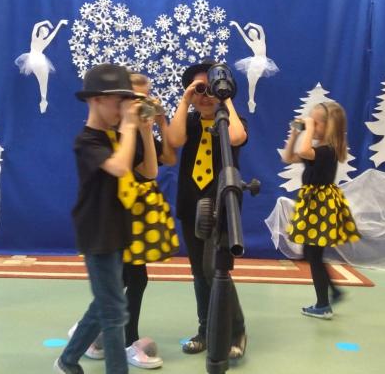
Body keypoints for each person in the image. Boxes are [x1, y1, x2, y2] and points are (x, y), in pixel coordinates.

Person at [54, 64, 157, 374]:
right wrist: (129, 126)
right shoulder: (87, 140)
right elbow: (119, 168)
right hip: (97, 232)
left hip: (117, 228)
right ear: (96, 99)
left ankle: (67, 360)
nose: (123, 108)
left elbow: (150, 172)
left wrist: (144, 130)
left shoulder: (118, 136)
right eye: (118, 101)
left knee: (105, 303)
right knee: (114, 313)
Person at [168, 58, 248, 359]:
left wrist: (224, 100)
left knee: (215, 269)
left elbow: (237, 137)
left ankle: (236, 331)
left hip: (222, 204)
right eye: (200, 89)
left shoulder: (229, 121)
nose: (206, 96)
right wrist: (185, 99)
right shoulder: (189, 122)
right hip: (192, 205)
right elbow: (174, 140)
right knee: (198, 272)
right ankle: (205, 330)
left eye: (211, 88)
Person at [281, 101, 360, 319]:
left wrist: (306, 127)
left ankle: (323, 305)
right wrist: (294, 134)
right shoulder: (318, 150)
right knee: (311, 252)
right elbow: (288, 157)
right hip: (313, 202)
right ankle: (333, 292)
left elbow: (304, 151)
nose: (311, 126)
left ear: (329, 126)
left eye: (316, 123)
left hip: (320, 204)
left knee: (314, 254)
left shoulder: (327, 151)